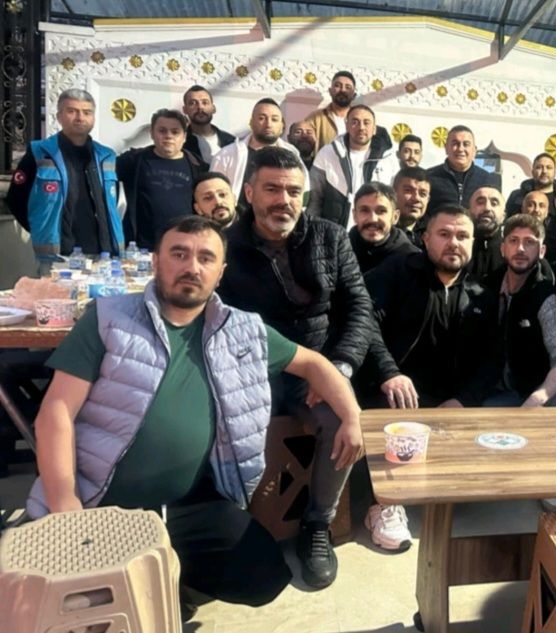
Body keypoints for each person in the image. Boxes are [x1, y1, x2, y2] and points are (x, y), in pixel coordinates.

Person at [27, 216, 363, 614]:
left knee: (264, 577)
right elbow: (55, 413)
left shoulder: (244, 331)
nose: (192, 267)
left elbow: (313, 364)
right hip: (102, 503)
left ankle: (171, 586)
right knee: (85, 607)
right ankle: (148, 588)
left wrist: (351, 417)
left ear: (220, 273)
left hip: (189, 506)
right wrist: (65, 505)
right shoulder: (107, 318)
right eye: (179, 254)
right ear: (156, 262)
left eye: (206, 258)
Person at [216, 147, 374, 582]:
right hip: (251, 369)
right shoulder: (225, 244)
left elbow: (359, 307)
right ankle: (234, 523)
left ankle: (318, 523)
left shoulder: (330, 237)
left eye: (292, 192)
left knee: (341, 423)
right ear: (249, 192)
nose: (282, 201)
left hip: (318, 367)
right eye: (272, 189)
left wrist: (338, 368)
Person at [356, 206, 499, 549]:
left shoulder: (482, 294)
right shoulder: (396, 272)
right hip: (392, 393)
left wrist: (464, 399)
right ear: (425, 238)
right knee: (394, 413)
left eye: (462, 236)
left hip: (449, 399)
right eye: (444, 234)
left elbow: (493, 358)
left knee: (467, 497)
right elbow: (364, 324)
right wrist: (389, 372)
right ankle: (385, 505)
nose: (454, 243)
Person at [7, 88, 123, 271]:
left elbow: (111, 201)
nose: (80, 117)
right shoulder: (40, 153)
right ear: (59, 116)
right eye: (72, 111)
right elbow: (16, 199)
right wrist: (41, 228)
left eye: (87, 112)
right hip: (59, 258)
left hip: (104, 255)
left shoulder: (106, 156)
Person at [482, 214, 556, 408]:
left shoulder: (545, 297)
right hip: (494, 391)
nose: (520, 248)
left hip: (535, 389)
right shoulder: (486, 289)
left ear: (542, 251)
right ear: (502, 248)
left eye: (529, 242)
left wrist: (539, 396)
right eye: (513, 241)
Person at [118, 108, 206, 250]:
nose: (168, 136)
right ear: (152, 133)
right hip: (142, 248)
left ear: (184, 136)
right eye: (162, 131)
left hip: (185, 245)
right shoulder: (133, 161)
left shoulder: (199, 167)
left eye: (175, 132)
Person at [308, 104, 398, 229]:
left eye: (366, 122)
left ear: (374, 128)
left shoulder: (388, 159)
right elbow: (314, 199)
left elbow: (394, 201)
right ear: (347, 126)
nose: (361, 127)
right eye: (355, 122)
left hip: (373, 231)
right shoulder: (328, 153)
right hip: (334, 232)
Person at [209, 98, 308, 206]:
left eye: (274, 119)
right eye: (262, 118)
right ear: (251, 122)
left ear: (282, 125)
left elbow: (304, 192)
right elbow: (212, 190)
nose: (268, 124)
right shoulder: (227, 155)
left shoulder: (293, 155)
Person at [348, 182, 420, 274]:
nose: (373, 219)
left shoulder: (411, 261)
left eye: (381, 211)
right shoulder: (337, 251)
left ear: (395, 217)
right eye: (365, 210)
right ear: (354, 215)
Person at [426, 125, 500, 213]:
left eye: (466, 144)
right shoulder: (429, 177)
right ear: (446, 148)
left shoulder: (488, 180)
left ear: (474, 150)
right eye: (455, 144)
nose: (460, 149)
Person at [181, 85, 236, 164]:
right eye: (193, 103)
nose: (200, 107)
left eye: (205, 102)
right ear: (185, 110)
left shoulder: (231, 142)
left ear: (213, 108)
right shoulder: (180, 143)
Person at [466, 185, 506, 279]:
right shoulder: (457, 248)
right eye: (480, 202)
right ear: (468, 212)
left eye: (494, 203)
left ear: (503, 216)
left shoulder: (511, 251)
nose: (487, 208)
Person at [393, 166, 431, 247]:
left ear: (428, 200)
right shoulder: (382, 231)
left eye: (422, 194)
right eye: (408, 191)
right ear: (393, 193)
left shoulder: (432, 233)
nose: (416, 198)